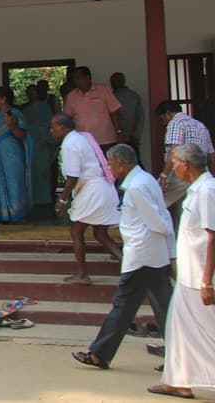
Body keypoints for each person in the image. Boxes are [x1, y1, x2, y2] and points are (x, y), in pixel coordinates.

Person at [72, 144, 175, 370]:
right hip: (151, 255)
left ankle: (100, 353)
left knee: (125, 305)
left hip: (142, 255)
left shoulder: (137, 187)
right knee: (160, 306)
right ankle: (177, 357)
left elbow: (158, 222)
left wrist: (167, 245)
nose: (109, 168)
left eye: (111, 164)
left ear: (122, 164)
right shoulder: (145, 180)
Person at [148, 143, 215, 399]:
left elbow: (212, 236)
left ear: (186, 164)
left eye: (175, 163)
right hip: (189, 274)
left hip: (200, 277)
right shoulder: (195, 190)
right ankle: (179, 380)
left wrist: (207, 280)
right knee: (179, 329)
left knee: (208, 331)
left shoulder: (208, 190)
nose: (173, 168)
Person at [52, 113, 122, 284]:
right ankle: (129, 266)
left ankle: (82, 275)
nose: (51, 130)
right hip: (104, 188)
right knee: (100, 233)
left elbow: (72, 177)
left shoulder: (70, 143)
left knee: (76, 231)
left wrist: (62, 200)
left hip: (91, 192)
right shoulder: (81, 138)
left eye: (53, 127)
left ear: (62, 127)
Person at [156, 100, 215, 216]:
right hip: (201, 174)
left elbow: (174, 151)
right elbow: (211, 155)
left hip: (182, 172)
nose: (162, 123)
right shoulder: (200, 125)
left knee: (153, 201)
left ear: (168, 113)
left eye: (162, 119)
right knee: (188, 210)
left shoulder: (175, 123)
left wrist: (164, 176)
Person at [0, 86, 33, 223]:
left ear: (3, 99)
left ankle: (15, 214)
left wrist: (12, 126)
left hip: (12, 154)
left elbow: (23, 135)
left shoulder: (15, 114)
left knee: (13, 183)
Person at [64, 66, 125, 151]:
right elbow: (67, 118)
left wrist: (119, 132)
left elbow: (114, 112)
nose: (75, 81)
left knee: (105, 164)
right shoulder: (72, 96)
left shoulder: (103, 90)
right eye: (74, 78)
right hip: (82, 142)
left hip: (104, 140)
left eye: (78, 78)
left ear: (87, 77)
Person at [22, 84, 55, 211]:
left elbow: (50, 126)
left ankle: (44, 200)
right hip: (28, 144)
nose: (32, 94)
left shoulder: (45, 107)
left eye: (34, 92)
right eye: (29, 92)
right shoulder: (25, 110)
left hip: (42, 144)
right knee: (30, 173)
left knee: (43, 173)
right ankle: (31, 199)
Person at [110, 73, 145, 161]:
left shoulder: (111, 97)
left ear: (112, 83)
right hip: (132, 137)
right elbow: (141, 117)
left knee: (117, 163)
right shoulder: (134, 96)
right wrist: (137, 135)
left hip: (115, 137)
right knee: (134, 162)